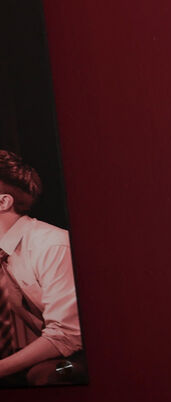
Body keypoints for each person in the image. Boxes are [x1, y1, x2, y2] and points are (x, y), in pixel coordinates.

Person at [0, 149, 84, 387]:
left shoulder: (51, 245)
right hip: (53, 348)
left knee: (45, 375)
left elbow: (67, 335)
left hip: (86, 355)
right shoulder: (3, 253)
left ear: (3, 202)